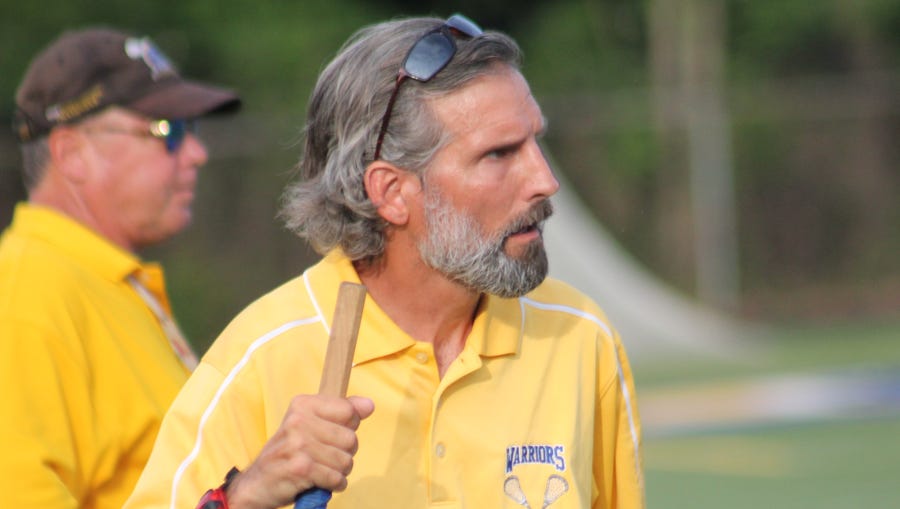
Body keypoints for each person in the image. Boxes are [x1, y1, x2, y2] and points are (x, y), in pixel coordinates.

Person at [125, 14, 644, 509]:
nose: (544, 180)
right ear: (392, 192)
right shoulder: (262, 355)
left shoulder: (579, 336)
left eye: (535, 141)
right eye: (499, 154)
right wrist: (247, 495)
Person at [0, 28, 240, 509]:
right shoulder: (26, 292)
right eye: (167, 131)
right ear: (71, 154)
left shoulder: (96, 281)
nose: (196, 153)